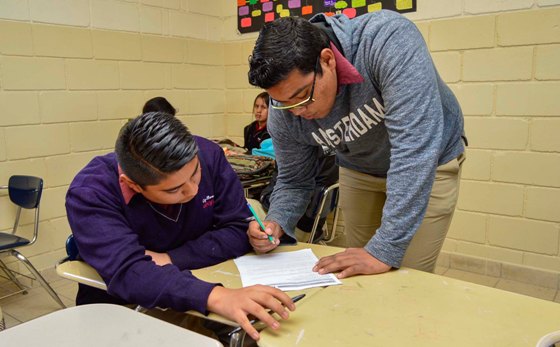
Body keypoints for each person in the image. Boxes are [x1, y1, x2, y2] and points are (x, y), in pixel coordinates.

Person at [246, 11, 466, 278]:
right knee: (359, 273)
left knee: (408, 276)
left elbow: (414, 151)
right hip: (358, 168)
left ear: (327, 61)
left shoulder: (387, 40)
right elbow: (294, 180)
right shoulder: (284, 110)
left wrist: (385, 249)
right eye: (283, 103)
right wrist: (276, 222)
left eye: (302, 97)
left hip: (429, 162)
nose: (296, 112)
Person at [65, 112, 297, 341]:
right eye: (173, 190)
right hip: (121, 310)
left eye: (195, 174)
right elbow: (130, 271)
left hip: (199, 287)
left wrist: (170, 258)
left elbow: (237, 227)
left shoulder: (208, 154)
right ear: (132, 185)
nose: (193, 191)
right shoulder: (91, 192)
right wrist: (215, 296)